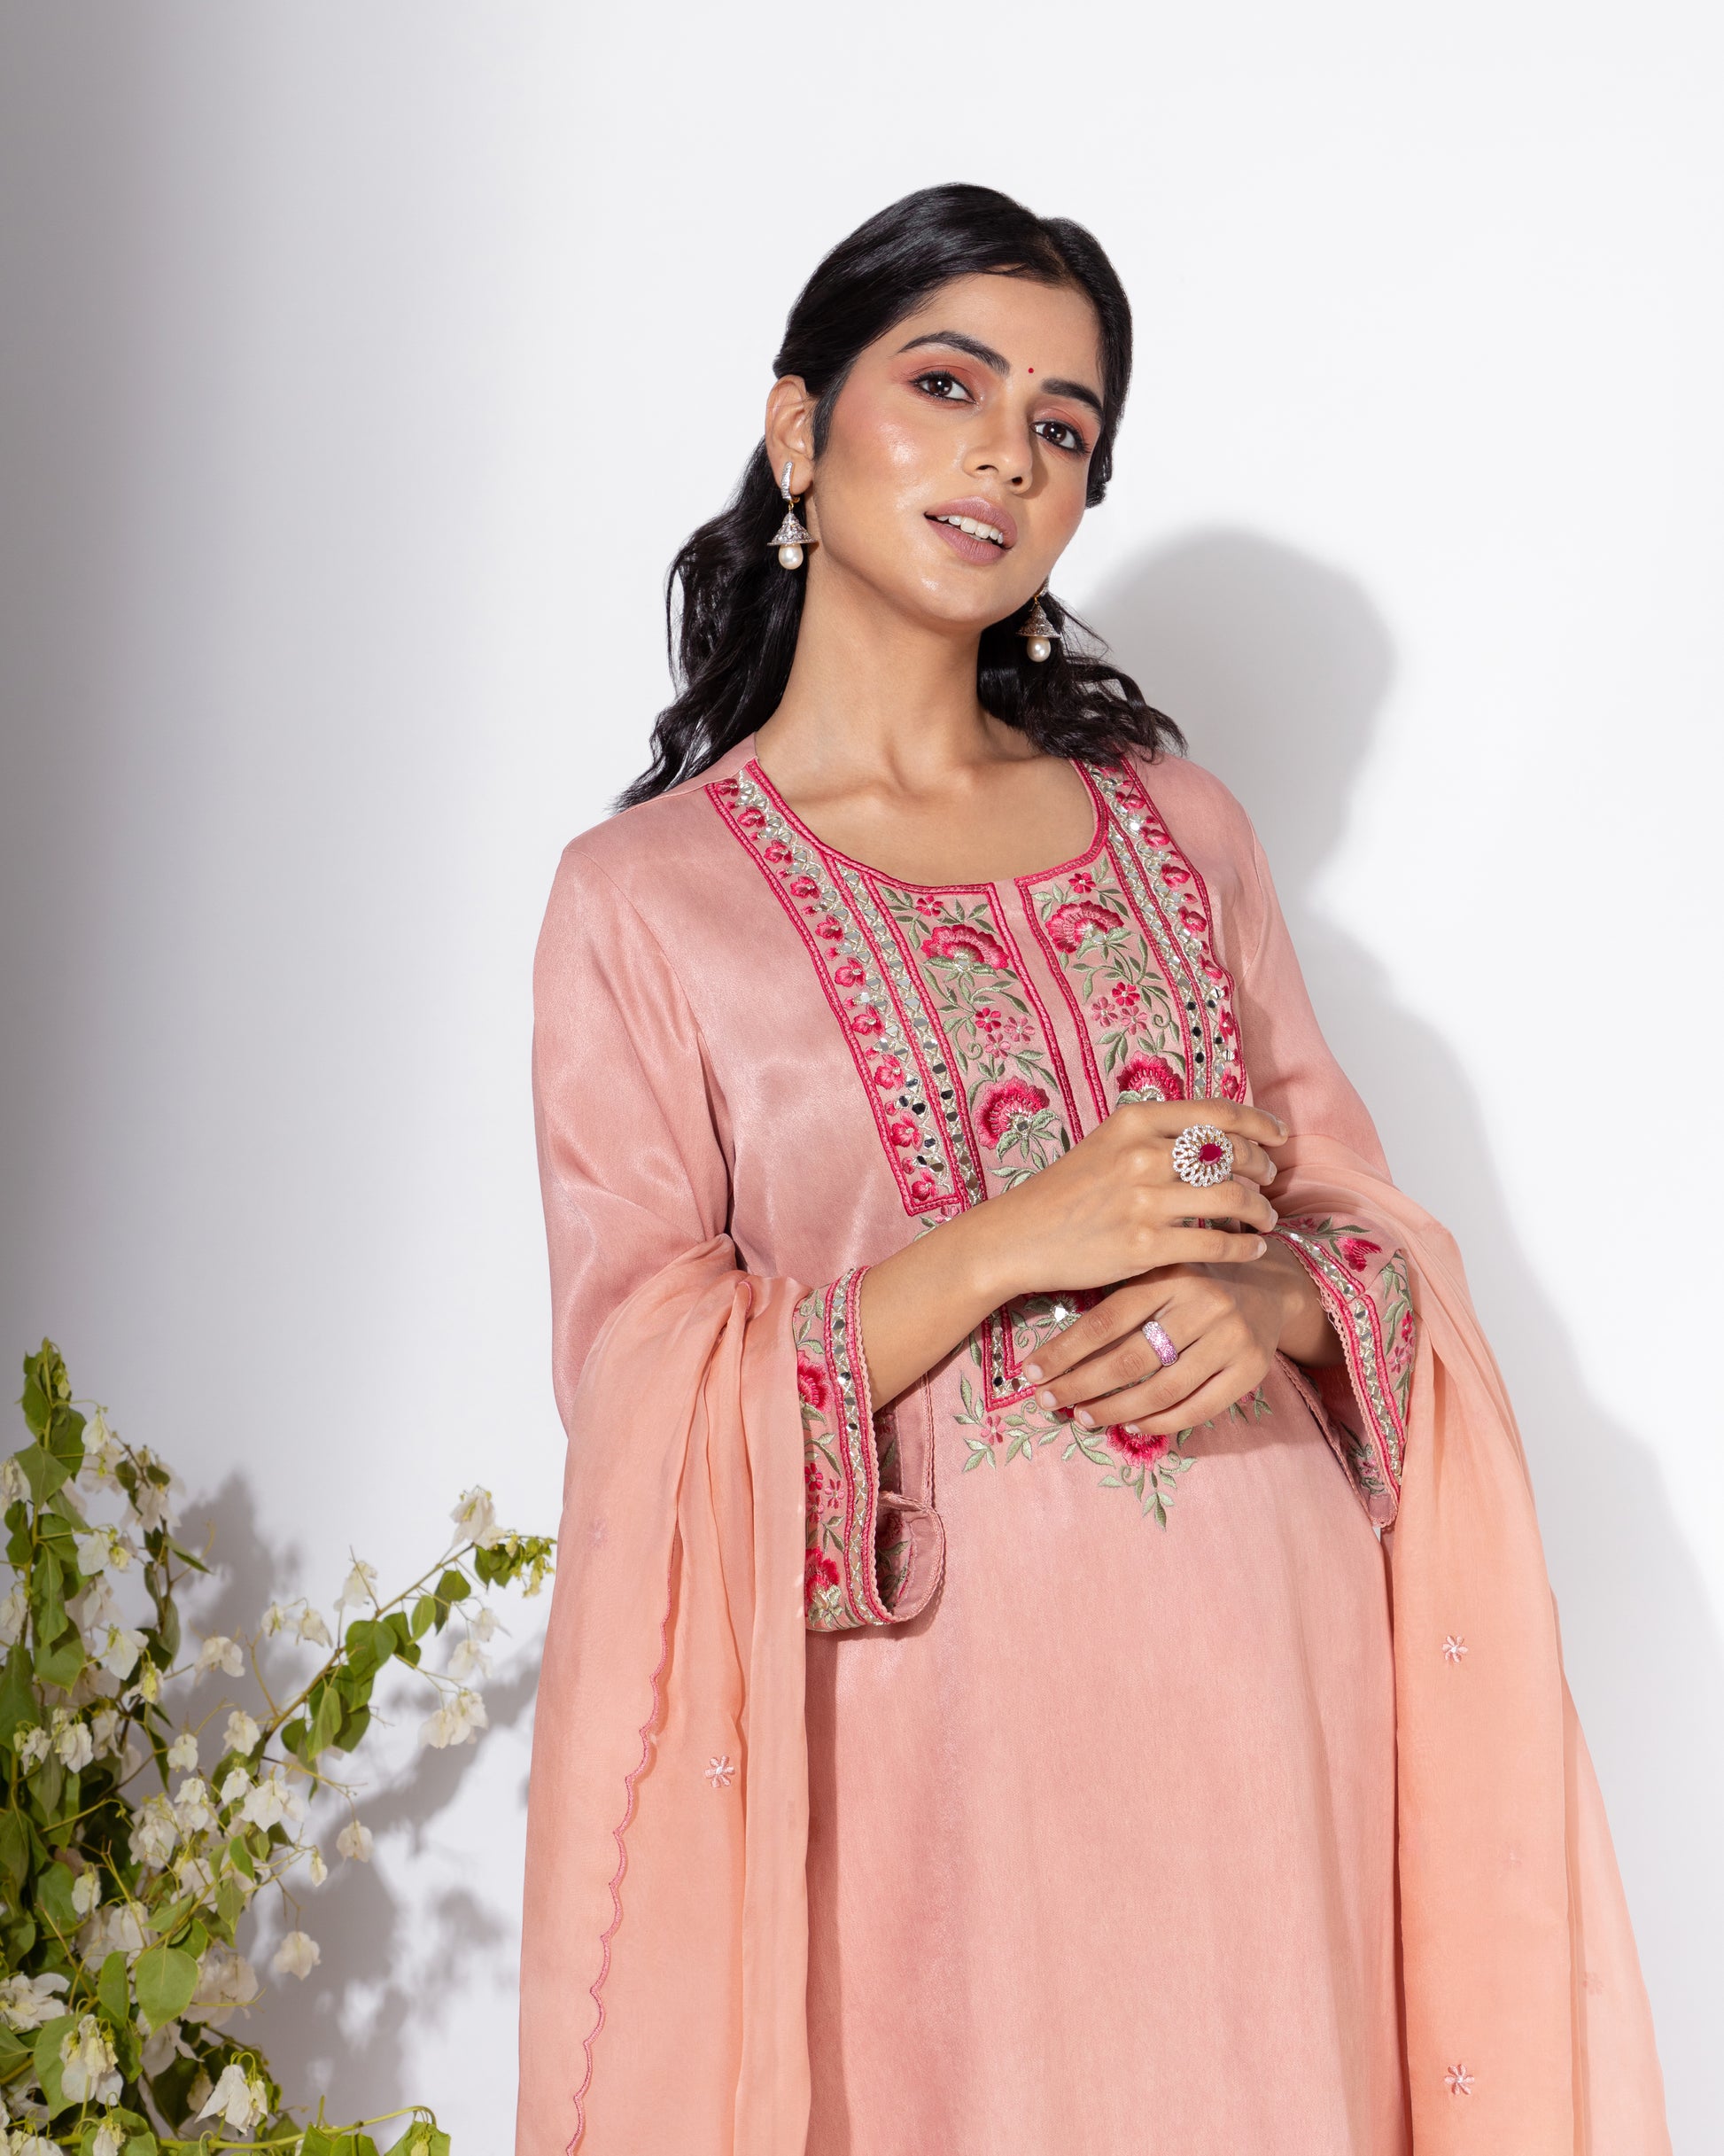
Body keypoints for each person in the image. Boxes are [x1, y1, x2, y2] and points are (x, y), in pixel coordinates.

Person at [515, 184, 1668, 2154]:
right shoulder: (644, 902)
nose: (1003, 454)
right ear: (798, 429)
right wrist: (1004, 1243)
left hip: (1266, 1678)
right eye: (945, 385)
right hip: (929, 1743)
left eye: (1060, 426)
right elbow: (638, 1372)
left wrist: (1278, 1296)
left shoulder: (1179, 833)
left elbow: (1362, 1229)